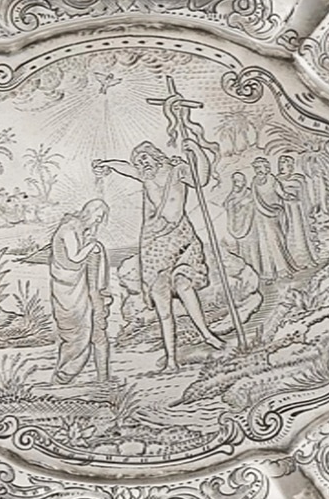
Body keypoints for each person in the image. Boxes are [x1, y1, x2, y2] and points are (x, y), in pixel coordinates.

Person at [93, 137, 229, 371]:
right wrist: (107, 164)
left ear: (156, 156)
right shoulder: (145, 177)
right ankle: (171, 359)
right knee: (162, 302)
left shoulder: (177, 170)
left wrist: (197, 149)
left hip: (181, 237)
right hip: (155, 245)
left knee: (184, 285)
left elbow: (202, 179)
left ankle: (207, 334)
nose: (142, 164)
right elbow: (125, 167)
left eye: (145, 158)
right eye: (138, 161)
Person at [48, 198, 112, 384]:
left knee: (96, 333)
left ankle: (103, 379)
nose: (98, 221)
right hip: (68, 291)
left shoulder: (82, 231)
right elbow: (75, 258)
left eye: (101, 218)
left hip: (83, 289)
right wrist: (92, 245)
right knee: (77, 335)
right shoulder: (69, 229)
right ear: (89, 212)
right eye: (98, 216)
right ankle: (62, 377)